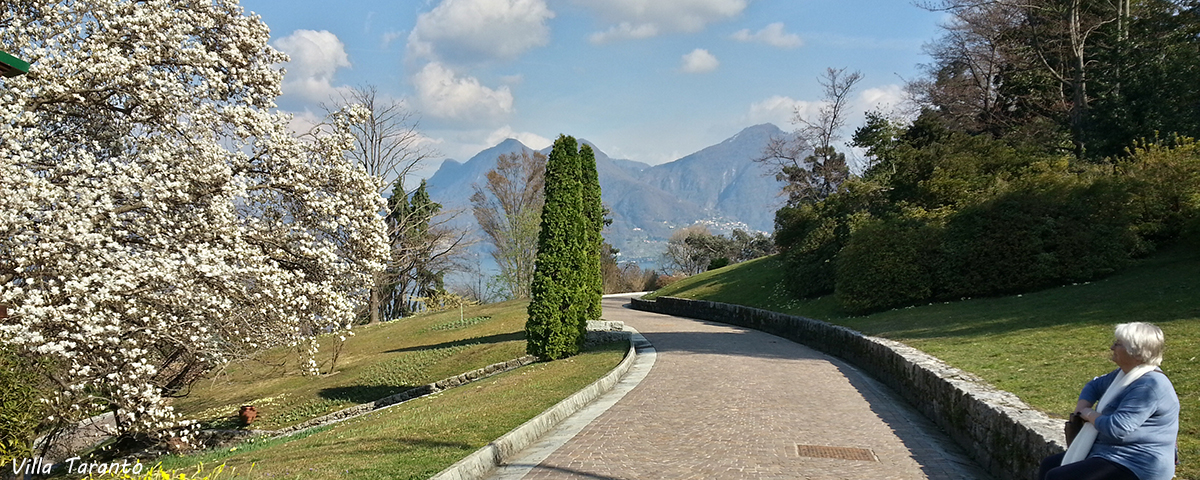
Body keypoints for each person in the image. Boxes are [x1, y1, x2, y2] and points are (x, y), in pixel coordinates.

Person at [1038, 322, 1179, 480]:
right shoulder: (1123, 374)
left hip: (1137, 462)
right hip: (1109, 452)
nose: (1112, 347)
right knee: (1050, 464)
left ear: (1137, 352)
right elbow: (1094, 385)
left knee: (1059, 477)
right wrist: (1080, 408)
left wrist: (1087, 413)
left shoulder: (1149, 386)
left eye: (1118, 344)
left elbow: (1117, 428)